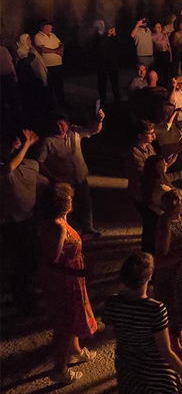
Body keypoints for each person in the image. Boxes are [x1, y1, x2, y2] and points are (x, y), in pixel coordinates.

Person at [103, 252, 182, 393]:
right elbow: (166, 351)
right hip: (156, 372)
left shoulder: (112, 303)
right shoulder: (155, 309)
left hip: (128, 369)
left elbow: (109, 334)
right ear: (150, 277)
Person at [43, 184, 98, 385]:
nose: (71, 200)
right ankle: (60, 370)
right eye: (69, 198)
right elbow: (51, 263)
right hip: (64, 282)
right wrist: (78, 272)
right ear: (62, 203)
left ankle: (74, 351)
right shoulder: (57, 227)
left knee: (74, 316)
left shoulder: (62, 222)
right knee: (64, 326)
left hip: (72, 278)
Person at [38, 111, 105, 239]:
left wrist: (99, 120)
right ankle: (69, 232)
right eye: (57, 125)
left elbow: (94, 130)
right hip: (63, 181)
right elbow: (40, 162)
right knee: (67, 208)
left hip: (80, 177)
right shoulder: (48, 141)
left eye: (62, 125)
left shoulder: (75, 133)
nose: (60, 128)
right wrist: (52, 177)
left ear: (68, 124)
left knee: (86, 203)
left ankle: (88, 227)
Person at [153, 189, 182, 359]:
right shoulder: (165, 224)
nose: (174, 205)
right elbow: (160, 258)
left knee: (181, 307)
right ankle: (175, 347)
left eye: (177, 201)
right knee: (173, 309)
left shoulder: (178, 218)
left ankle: (179, 336)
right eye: (170, 202)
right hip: (171, 276)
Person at [1, 129, 44, 309]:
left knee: (31, 258)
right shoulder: (3, 167)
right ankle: (21, 299)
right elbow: (9, 168)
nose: (15, 151)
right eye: (12, 148)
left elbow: (40, 181)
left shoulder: (31, 164)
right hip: (9, 223)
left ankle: (25, 291)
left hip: (29, 219)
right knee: (18, 261)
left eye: (17, 147)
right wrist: (26, 144)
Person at [34, 19, 66, 107]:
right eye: (50, 25)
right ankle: (50, 104)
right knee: (50, 85)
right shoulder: (38, 37)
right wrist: (56, 51)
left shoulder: (53, 35)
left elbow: (61, 44)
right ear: (45, 27)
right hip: (48, 65)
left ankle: (61, 102)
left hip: (58, 64)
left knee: (59, 85)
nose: (51, 27)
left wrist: (61, 49)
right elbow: (42, 49)